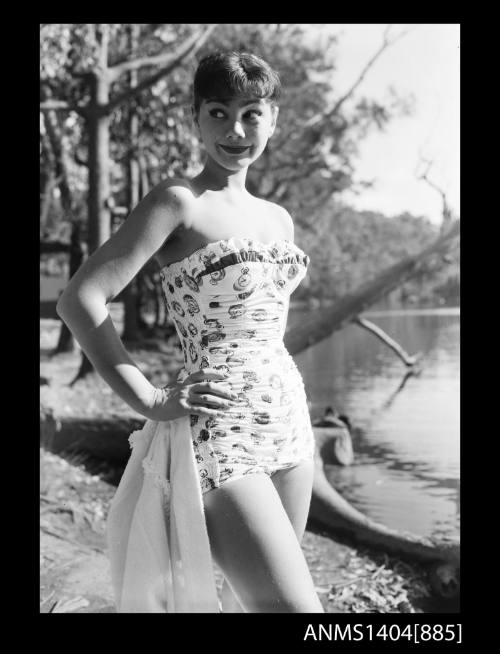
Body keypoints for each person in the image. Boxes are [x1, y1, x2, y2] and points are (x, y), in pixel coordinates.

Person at [56, 50, 323, 613]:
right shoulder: (178, 201)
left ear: (273, 118)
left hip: (290, 425)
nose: (236, 130)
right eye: (219, 113)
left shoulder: (278, 219)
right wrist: (150, 399)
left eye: (252, 113)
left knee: (255, 606)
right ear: (197, 118)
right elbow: (80, 299)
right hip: (221, 431)